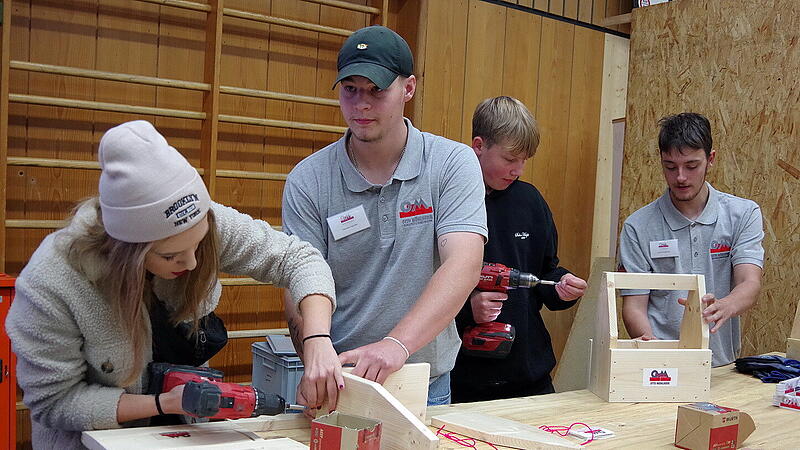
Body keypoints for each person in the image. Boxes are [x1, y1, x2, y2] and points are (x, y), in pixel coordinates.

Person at [5, 120, 338, 449]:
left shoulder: (205, 221)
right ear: (129, 251)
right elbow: (56, 402)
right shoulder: (53, 281)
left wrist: (318, 340)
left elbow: (298, 259)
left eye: (199, 244)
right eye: (171, 256)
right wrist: (165, 403)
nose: (193, 263)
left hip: (186, 434)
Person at [281, 25, 487, 412]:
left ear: (407, 89)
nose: (361, 105)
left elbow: (464, 263)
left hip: (424, 383)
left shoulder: (450, 163)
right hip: (343, 381)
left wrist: (397, 345)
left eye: (377, 90)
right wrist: (314, 349)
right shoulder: (308, 180)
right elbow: (299, 279)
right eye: (350, 90)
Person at [449, 96, 588, 402]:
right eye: (510, 159)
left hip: (529, 377)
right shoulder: (448, 200)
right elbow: (420, 286)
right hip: (461, 381)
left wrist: (560, 288)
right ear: (478, 146)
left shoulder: (530, 201)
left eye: (525, 160)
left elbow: (545, 272)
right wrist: (466, 311)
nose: (518, 170)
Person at [618, 112, 764, 367]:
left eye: (691, 166)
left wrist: (725, 305)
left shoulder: (743, 214)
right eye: (670, 167)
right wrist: (652, 348)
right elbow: (634, 306)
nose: (681, 177)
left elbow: (749, 283)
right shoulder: (637, 226)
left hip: (720, 365)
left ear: (711, 160)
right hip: (661, 365)